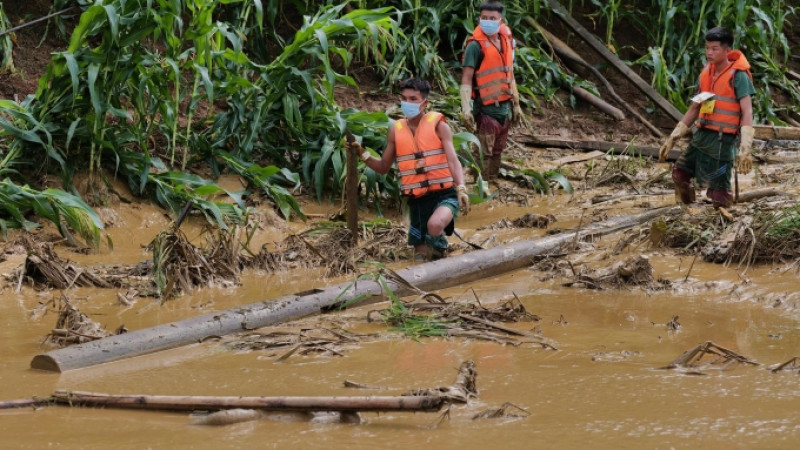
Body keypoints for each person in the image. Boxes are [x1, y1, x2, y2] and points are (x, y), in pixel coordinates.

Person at [345, 78, 470, 262]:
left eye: (413, 99)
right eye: (404, 99)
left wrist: (461, 188)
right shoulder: (396, 131)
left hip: (444, 195)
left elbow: (453, 160)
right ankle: (437, 260)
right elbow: (382, 167)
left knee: (434, 225)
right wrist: (361, 153)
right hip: (417, 201)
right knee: (419, 257)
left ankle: (441, 252)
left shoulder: (439, 126)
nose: (407, 103)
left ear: (424, 103)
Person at [658, 26, 755, 208]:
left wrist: (745, 148)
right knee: (679, 173)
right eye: (707, 48)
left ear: (727, 50)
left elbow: (747, 111)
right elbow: (695, 108)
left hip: (722, 141)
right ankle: (688, 212)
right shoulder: (706, 73)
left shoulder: (738, 76)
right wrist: (673, 138)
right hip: (701, 136)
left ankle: (723, 219)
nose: (709, 53)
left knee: (719, 192)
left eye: (714, 49)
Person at [460, 1, 523, 181]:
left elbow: (510, 75)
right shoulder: (475, 46)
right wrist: (466, 109)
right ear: (479, 19)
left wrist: (516, 105)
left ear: (500, 20)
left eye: (492, 18)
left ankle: (492, 182)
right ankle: (480, 185)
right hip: (486, 111)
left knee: (497, 151)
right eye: (484, 18)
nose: (488, 21)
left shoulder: (506, 41)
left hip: (505, 109)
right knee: (483, 153)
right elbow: (466, 79)